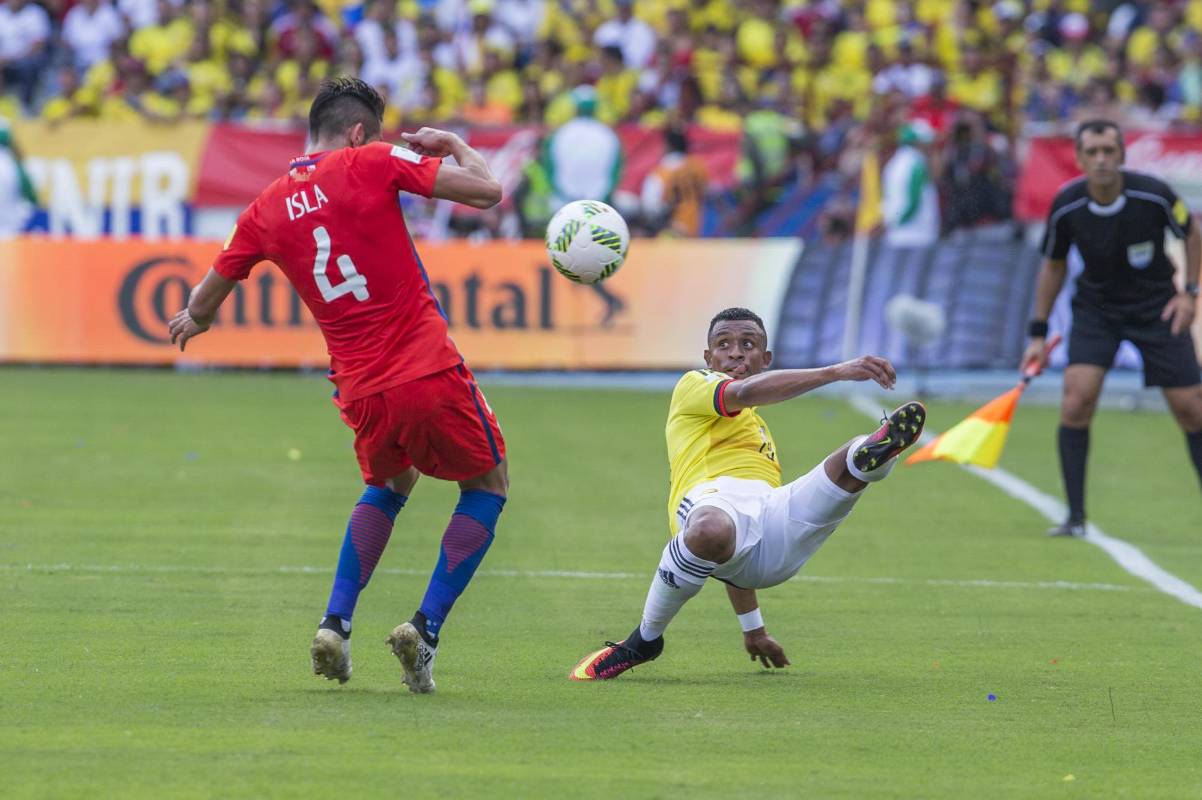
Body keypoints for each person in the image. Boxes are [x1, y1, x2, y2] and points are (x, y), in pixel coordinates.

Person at [167, 78, 506, 694]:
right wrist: (454, 143)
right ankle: (424, 631)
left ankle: (336, 624)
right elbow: (487, 191)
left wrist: (199, 319)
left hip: (358, 387)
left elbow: (208, 294)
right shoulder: (372, 161)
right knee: (488, 485)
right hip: (424, 365)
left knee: (388, 483)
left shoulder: (265, 207)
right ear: (357, 133)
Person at [570, 308, 925, 680]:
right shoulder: (694, 385)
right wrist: (834, 372)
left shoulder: (759, 432)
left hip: (771, 526)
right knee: (712, 528)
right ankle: (644, 640)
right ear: (708, 358)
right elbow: (744, 392)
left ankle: (872, 454)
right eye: (723, 344)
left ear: (766, 360)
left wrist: (753, 628)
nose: (735, 353)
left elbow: (747, 530)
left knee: (848, 461)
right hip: (707, 506)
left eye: (748, 345)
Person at [1022, 119, 1202, 538]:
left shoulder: (1153, 195)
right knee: (1076, 401)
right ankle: (1075, 518)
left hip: (1158, 308)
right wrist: (1037, 334)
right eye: (1093, 152)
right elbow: (1053, 266)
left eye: (1109, 150)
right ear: (1080, 158)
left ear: (1121, 154)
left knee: (1193, 410)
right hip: (1097, 312)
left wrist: (1190, 294)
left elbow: (1193, 236)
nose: (1102, 159)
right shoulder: (1066, 205)